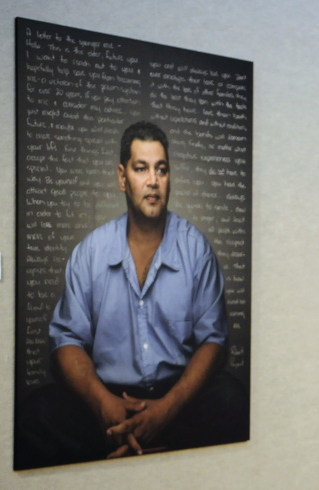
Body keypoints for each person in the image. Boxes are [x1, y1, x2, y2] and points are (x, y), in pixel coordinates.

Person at [15, 121, 249, 469]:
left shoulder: (196, 249)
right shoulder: (90, 252)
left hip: (177, 398)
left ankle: (151, 439)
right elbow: (65, 341)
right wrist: (103, 405)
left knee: (232, 399)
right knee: (38, 413)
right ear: (122, 177)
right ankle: (140, 440)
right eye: (141, 169)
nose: (153, 180)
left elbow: (214, 342)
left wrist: (166, 410)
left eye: (162, 169)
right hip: (107, 398)